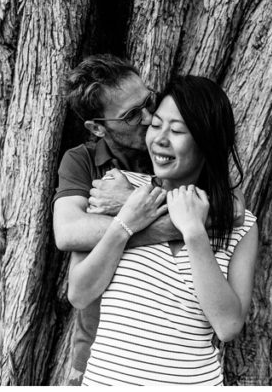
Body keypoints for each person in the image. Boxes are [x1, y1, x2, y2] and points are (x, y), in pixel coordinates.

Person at [66, 76, 258, 385]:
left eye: (178, 130)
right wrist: (126, 222)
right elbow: (78, 293)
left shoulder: (239, 222)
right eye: (156, 125)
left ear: (207, 141)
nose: (160, 139)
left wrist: (194, 234)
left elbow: (228, 326)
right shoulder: (114, 192)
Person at [53, 55, 185, 385]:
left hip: (173, 351)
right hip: (97, 351)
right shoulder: (81, 161)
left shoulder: (176, 149)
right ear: (98, 127)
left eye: (149, 102)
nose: (149, 117)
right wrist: (148, 222)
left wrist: (127, 203)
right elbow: (68, 232)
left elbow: (227, 211)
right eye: (129, 116)